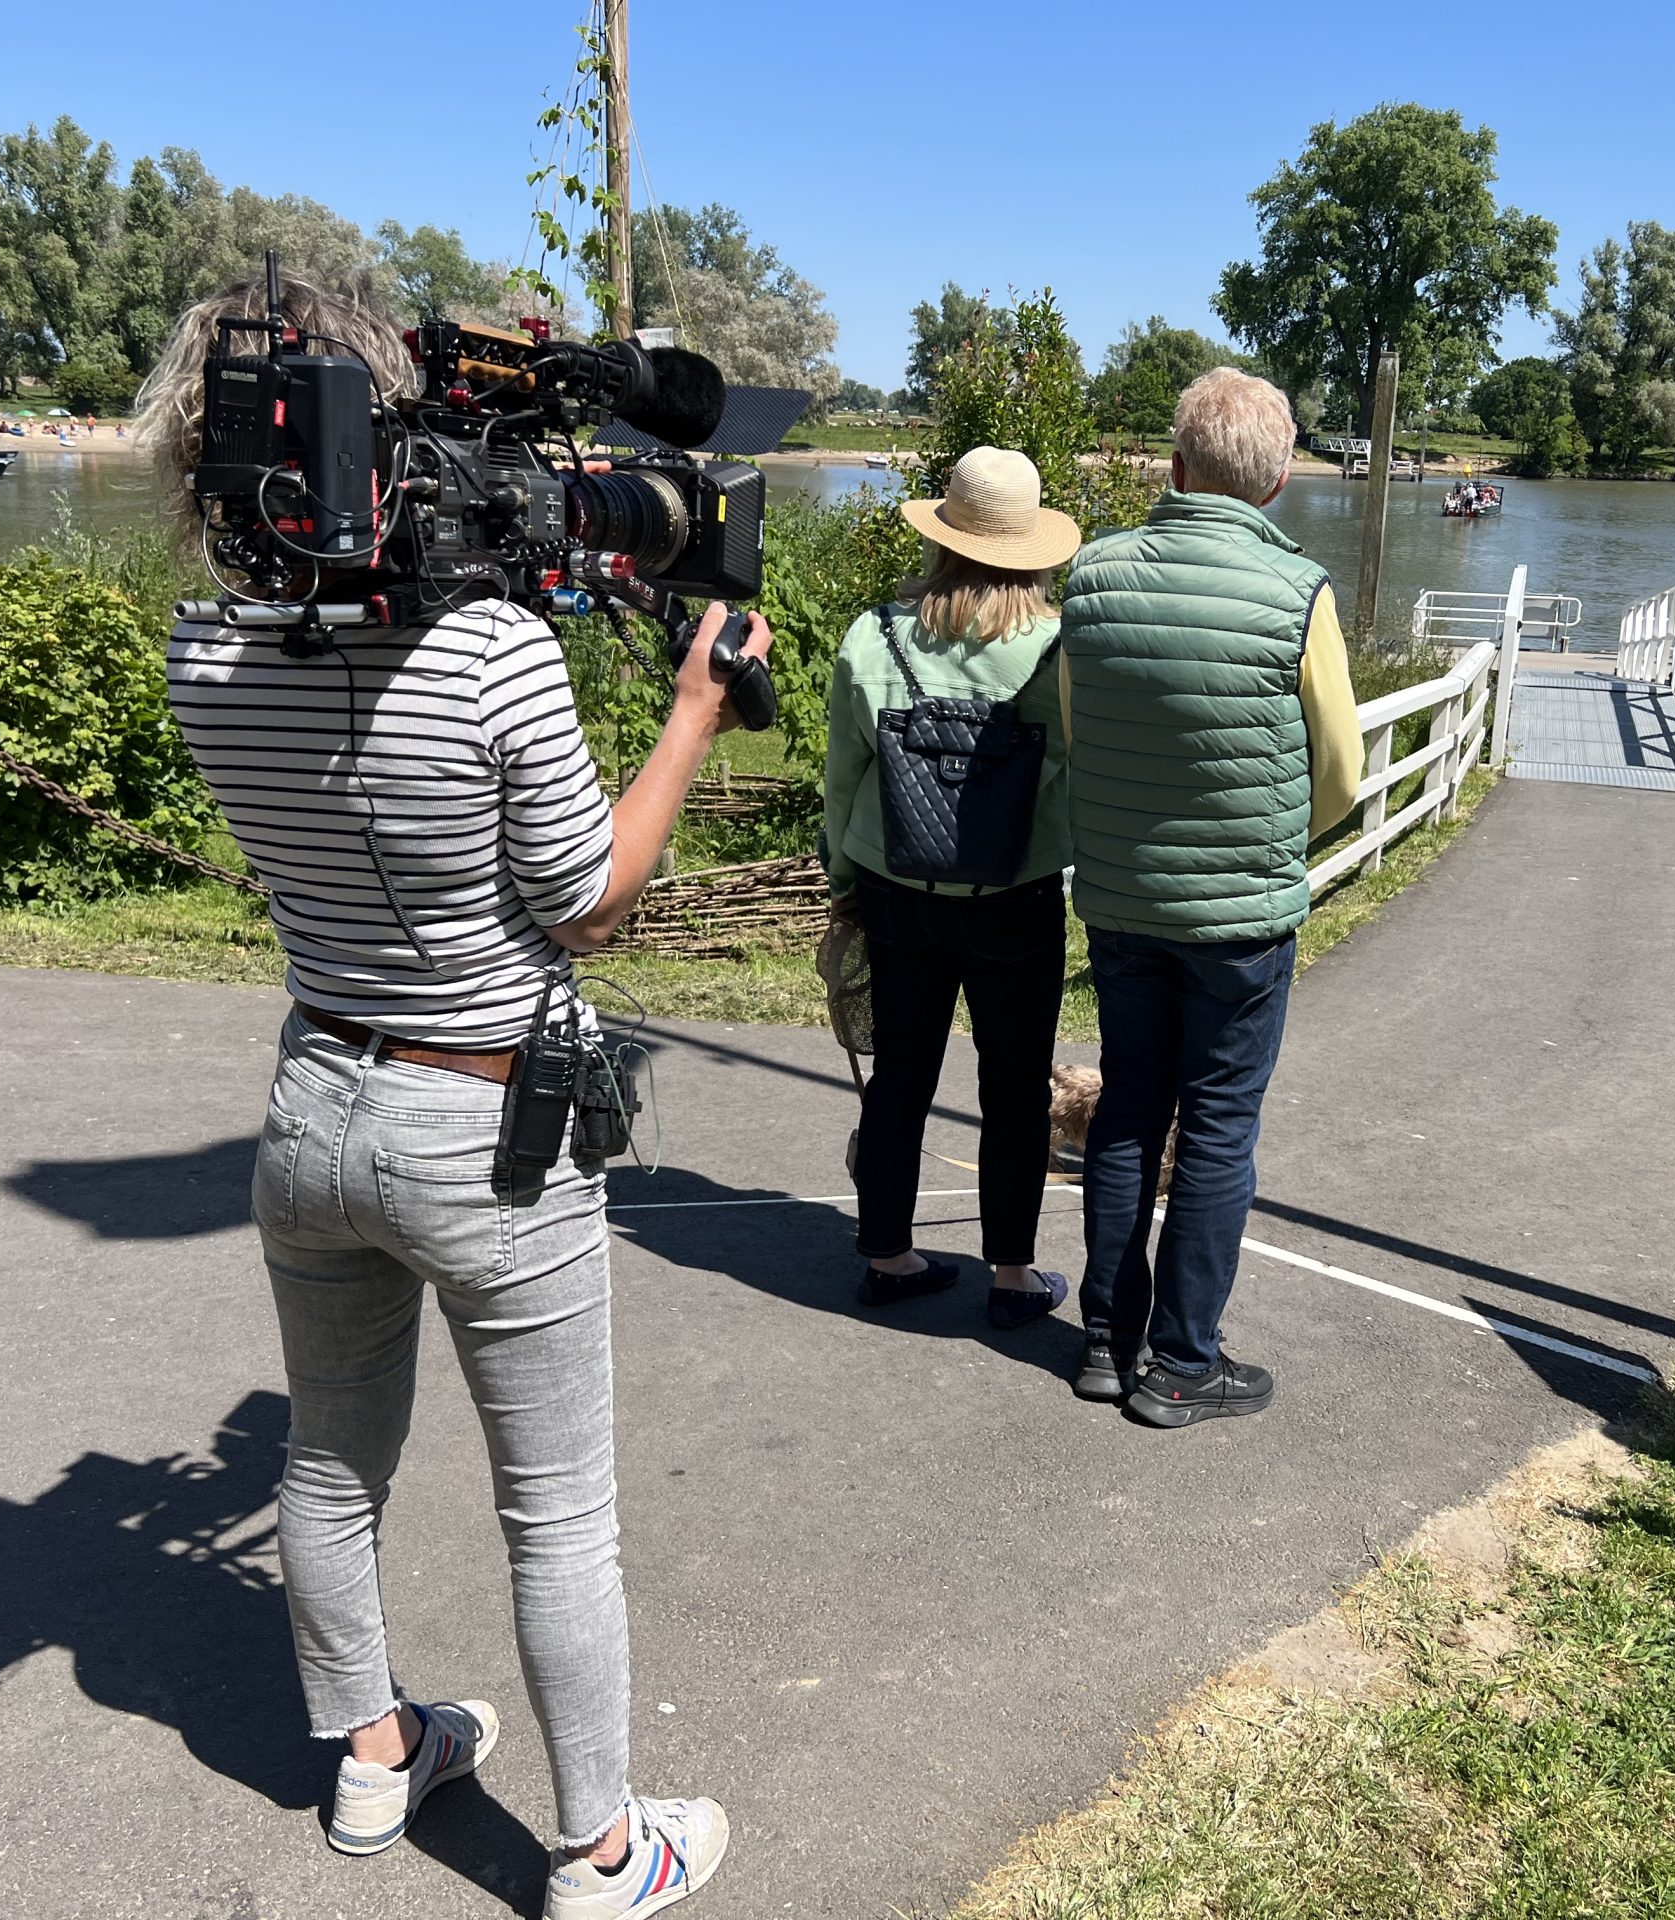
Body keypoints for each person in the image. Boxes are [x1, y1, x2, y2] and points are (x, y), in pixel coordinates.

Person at [138, 272, 747, 1919]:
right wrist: (690, 713)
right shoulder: (489, 652)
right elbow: (589, 900)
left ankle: (372, 1750)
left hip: (312, 1104)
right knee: (557, 1517)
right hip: (485, 1126)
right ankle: (604, 1851)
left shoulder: (206, 646)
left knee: (331, 1467)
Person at [1059, 368, 1360, 1428]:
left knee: (1129, 1109)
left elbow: (1074, 730)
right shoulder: (1298, 592)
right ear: (1277, 483)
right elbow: (1343, 771)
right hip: (1241, 917)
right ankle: (1184, 1364)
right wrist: (1273, 844)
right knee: (1220, 1126)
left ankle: (1104, 1339)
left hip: (1121, 903)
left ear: (1173, 467)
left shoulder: (1089, 577)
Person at [822, 446, 1081, 1326]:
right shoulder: (1056, 652)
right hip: (1016, 897)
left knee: (901, 1074)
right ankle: (1012, 1275)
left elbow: (845, 775)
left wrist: (842, 876)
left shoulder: (876, 634)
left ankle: (887, 1255)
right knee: (1015, 1086)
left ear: (943, 536)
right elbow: (1074, 773)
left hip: (897, 891)